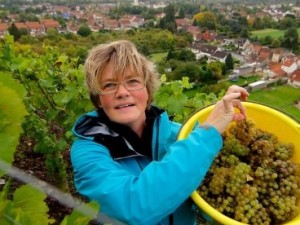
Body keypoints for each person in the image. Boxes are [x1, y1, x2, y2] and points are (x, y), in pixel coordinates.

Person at [70, 40, 249, 225]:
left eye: (132, 81)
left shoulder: (178, 134)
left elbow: (203, 197)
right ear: (98, 99)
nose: (122, 92)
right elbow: (134, 209)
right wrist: (208, 133)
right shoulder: (88, 152)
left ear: (148, 90)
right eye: (109, 85)